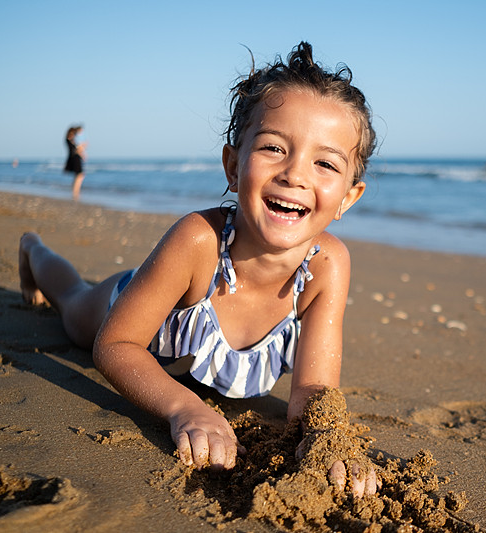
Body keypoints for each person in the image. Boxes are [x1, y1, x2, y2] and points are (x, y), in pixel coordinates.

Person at [19, 42, 378, 496]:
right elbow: (116, 345)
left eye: (325, 163)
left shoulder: (327, 267)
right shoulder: (197, 240)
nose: (295, 174)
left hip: (185, 350)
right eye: (273, 147)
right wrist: (183, 408)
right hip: (131, 310)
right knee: (70, 304)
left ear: (348, 196)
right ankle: (33, 250)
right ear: (233, 165)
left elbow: (312, 388)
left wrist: (326, 438)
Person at [64, 125, 87, 201]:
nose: (75, 134)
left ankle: (75, 192)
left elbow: (77, 150)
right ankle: (76, 193)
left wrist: (82, 154)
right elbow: (76, 150)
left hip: (75, 158)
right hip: (75, 159)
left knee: (78, 175)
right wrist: (82, 147)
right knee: (80, 175)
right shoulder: (69, 140)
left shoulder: (71, 140)